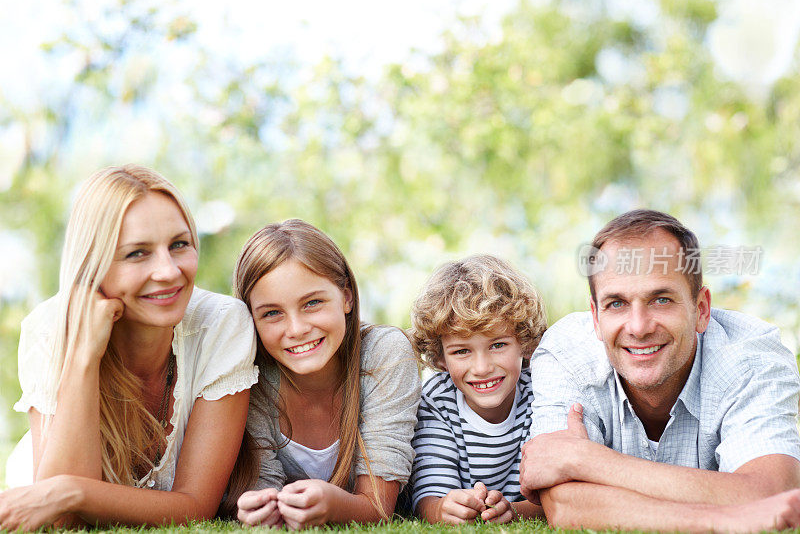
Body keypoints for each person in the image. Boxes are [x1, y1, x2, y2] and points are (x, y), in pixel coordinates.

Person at [0, 166, 257, 530]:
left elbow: (195, 506)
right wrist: (83, 355)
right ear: (94, 266)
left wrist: (69, 490)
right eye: (138, 253)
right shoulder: (47, 329)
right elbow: (63, 523)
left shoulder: (219, 325)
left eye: (179, 244)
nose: (169, 271)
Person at [519, 209, 800, 532]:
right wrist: (722, 519)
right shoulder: (568, 354)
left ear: (701, 309)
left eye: (661, 300)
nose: (638, 328)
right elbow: (565, 503)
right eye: (617, 303)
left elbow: (772, 493)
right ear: (595, 318)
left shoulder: (751, 358)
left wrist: (587, 460)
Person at [232, 219, 421, 529]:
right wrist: (260, 508)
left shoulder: (383, 354)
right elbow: (263, 488)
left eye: (313, 303)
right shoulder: (252, 375)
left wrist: (332, 503)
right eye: (272, 313)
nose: (296, 329)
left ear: (346, 296)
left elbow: (379, 507)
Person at [408, 254, 546, 524]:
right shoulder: (437, 402)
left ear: (525, 343)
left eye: (498, 345)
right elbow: (429, 498)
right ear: (440, 358)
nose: (481, 368)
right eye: (461, 351)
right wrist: (443, 508)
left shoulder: (541, 394)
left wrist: (516, 511)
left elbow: (559, 497)